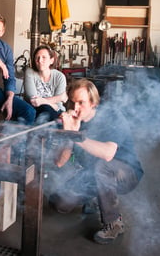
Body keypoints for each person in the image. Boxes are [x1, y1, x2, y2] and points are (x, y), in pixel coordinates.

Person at [48, 78, 143, 244]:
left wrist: (76, 137)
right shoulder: (73, 119)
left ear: (93, 102)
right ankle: (95, 196)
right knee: (59, 202)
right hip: (92, 173)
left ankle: (114, 222)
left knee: (102, 167)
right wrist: (68, 134)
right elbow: (59, 162)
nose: (76, 108)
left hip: (126, 173)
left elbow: (107, 153)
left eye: (81, 102)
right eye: (72, 102)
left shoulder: (112, 116)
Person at [23, 45, 67, 122]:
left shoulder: (60, 77)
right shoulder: (29, 73)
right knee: (45, 109)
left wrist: (42, 101)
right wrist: (59, 98)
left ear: (51, 60)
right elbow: (34, 101)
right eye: (37, 58)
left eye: (44, 57)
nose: (40, 60)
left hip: (57, 112)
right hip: (35, 112)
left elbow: (58, 107)